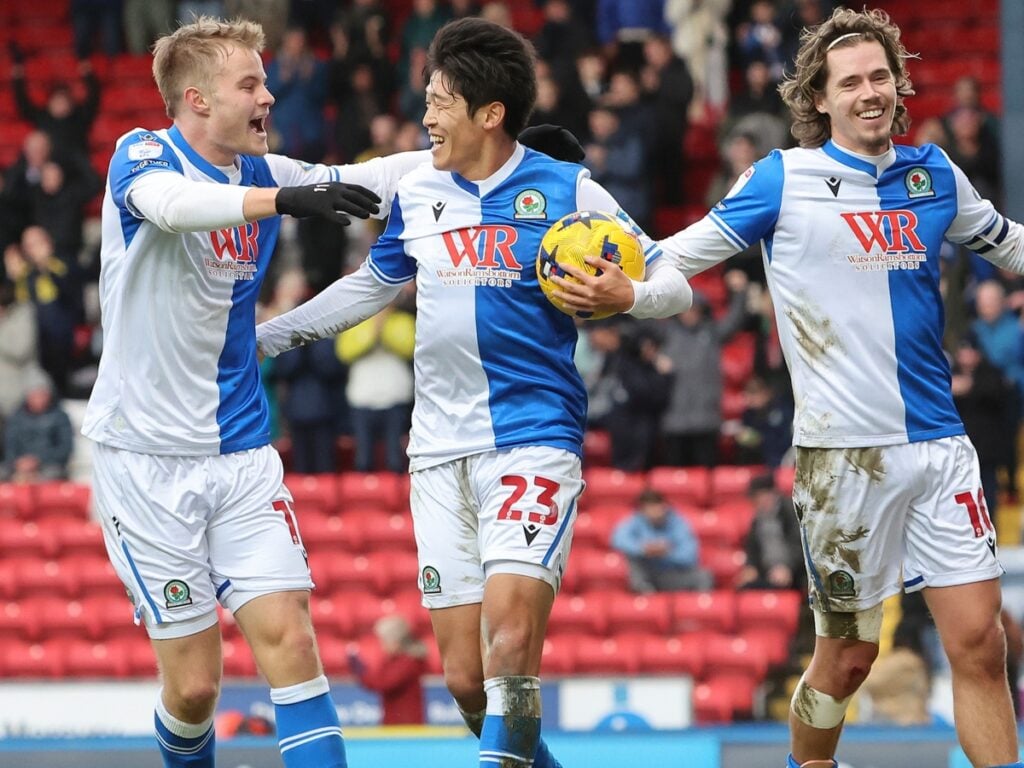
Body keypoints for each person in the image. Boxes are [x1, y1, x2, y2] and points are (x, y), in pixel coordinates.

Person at [256, 17, 692, 768]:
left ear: (490, 113)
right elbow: (371, 286)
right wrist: (262, 340)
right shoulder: (419, 190)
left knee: (511, 644)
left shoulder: (568, 190)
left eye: (439, 102)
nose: (425, 116)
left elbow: (673, 282)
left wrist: (629, 295)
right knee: (465, 680)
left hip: (531, 439)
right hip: (436, 453)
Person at [652, 8, 1024, 768]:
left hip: (940, 447)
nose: (870, 92)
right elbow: (674, 258)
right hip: (842, 460)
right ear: (818, 99)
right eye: (850, 82)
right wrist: (620, 287)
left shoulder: (934, 175)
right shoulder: (781, 178)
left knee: (982, 643)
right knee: (847, 660)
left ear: (899, 84)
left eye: (880, 76)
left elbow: (1010, 244)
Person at [80, 16, 424, 768]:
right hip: (145, 459)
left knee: (293, 642)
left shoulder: (265, 172)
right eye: (251, 84)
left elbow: (376, 179)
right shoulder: (143, 155)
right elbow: (174, 207)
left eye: (266, 81)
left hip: (241, 453)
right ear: (198, 100)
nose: (268, 96)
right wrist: (281, 201)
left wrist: (490, 155)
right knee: (195, 688)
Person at [610, 487, 712, 592]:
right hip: (648, 573)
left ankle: (699, 602)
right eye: (649, 508)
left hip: (672, 573)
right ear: (643, 510)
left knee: (703, 576)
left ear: (665, 506)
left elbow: (690, 556)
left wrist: (665, 553)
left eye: (657, 507)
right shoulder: (636, 520)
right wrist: (644, 549)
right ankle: (644, 596)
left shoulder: (678, 523)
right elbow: (618, 539)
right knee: (632, 558)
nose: (654, 512)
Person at [348, 614, 427, 725]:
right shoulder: (393, 660)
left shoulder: (408, 663)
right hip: (395, 722)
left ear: (395, 642)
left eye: (384, 641)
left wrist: (359, 667)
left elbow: (382, 682)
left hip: (406, 724)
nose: (382, 646)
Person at [0, 368, 73, 483]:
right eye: (35, 394)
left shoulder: (60, 417)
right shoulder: (16, 417)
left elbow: (65, 449)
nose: (39, 399)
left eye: (42, 394)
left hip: (48, 465)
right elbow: (10, 447)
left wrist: (38, 460)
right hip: (18, 466)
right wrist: (19, 462)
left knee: (53, 474)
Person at [735, 473, 803, 590]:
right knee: (745, 587)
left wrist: (788, 567)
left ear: (772, 493)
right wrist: (751, 566)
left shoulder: (790, 512)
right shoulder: (757, 519)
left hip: (795, 572)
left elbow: (799, 545)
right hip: (767, 573)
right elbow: (752, 548)